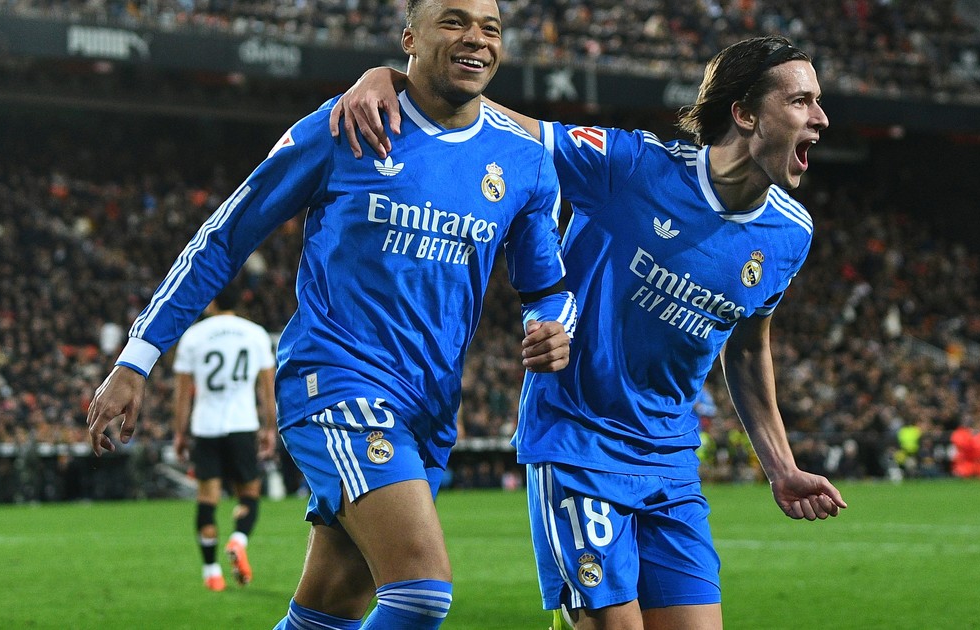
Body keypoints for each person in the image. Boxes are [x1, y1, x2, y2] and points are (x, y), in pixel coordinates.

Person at [86, 1, 576, 628]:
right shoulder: (347, 125)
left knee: (326, 614)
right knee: (421, 593)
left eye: (491, 28)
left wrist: (550, 325)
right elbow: (225, 238)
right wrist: (137, 358)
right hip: (337, 383)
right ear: (410, 38)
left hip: (429, 406)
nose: (476, 38)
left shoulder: (525, 160)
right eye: (454, 21)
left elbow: (546, 287)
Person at [334, 34, 846, 630]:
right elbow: (513, 129)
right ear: (745, 114)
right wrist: (397, 81)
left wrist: (781, 467)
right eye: (802, 101)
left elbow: (750, 350)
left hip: (671, 461)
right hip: (578, 442)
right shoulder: (631, 166)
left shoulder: (790, 233)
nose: (821, 118)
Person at [170, 280, 277, 591]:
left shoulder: (194, 336)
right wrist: (269, 428)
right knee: (249, 494)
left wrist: (180, 432)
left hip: (206, 427)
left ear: (211, 301)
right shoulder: (255, 334)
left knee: (207, 499)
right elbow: (267, 389)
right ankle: (238, 540)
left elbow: (182, 393)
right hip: (243, 424)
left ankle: (211, 572)